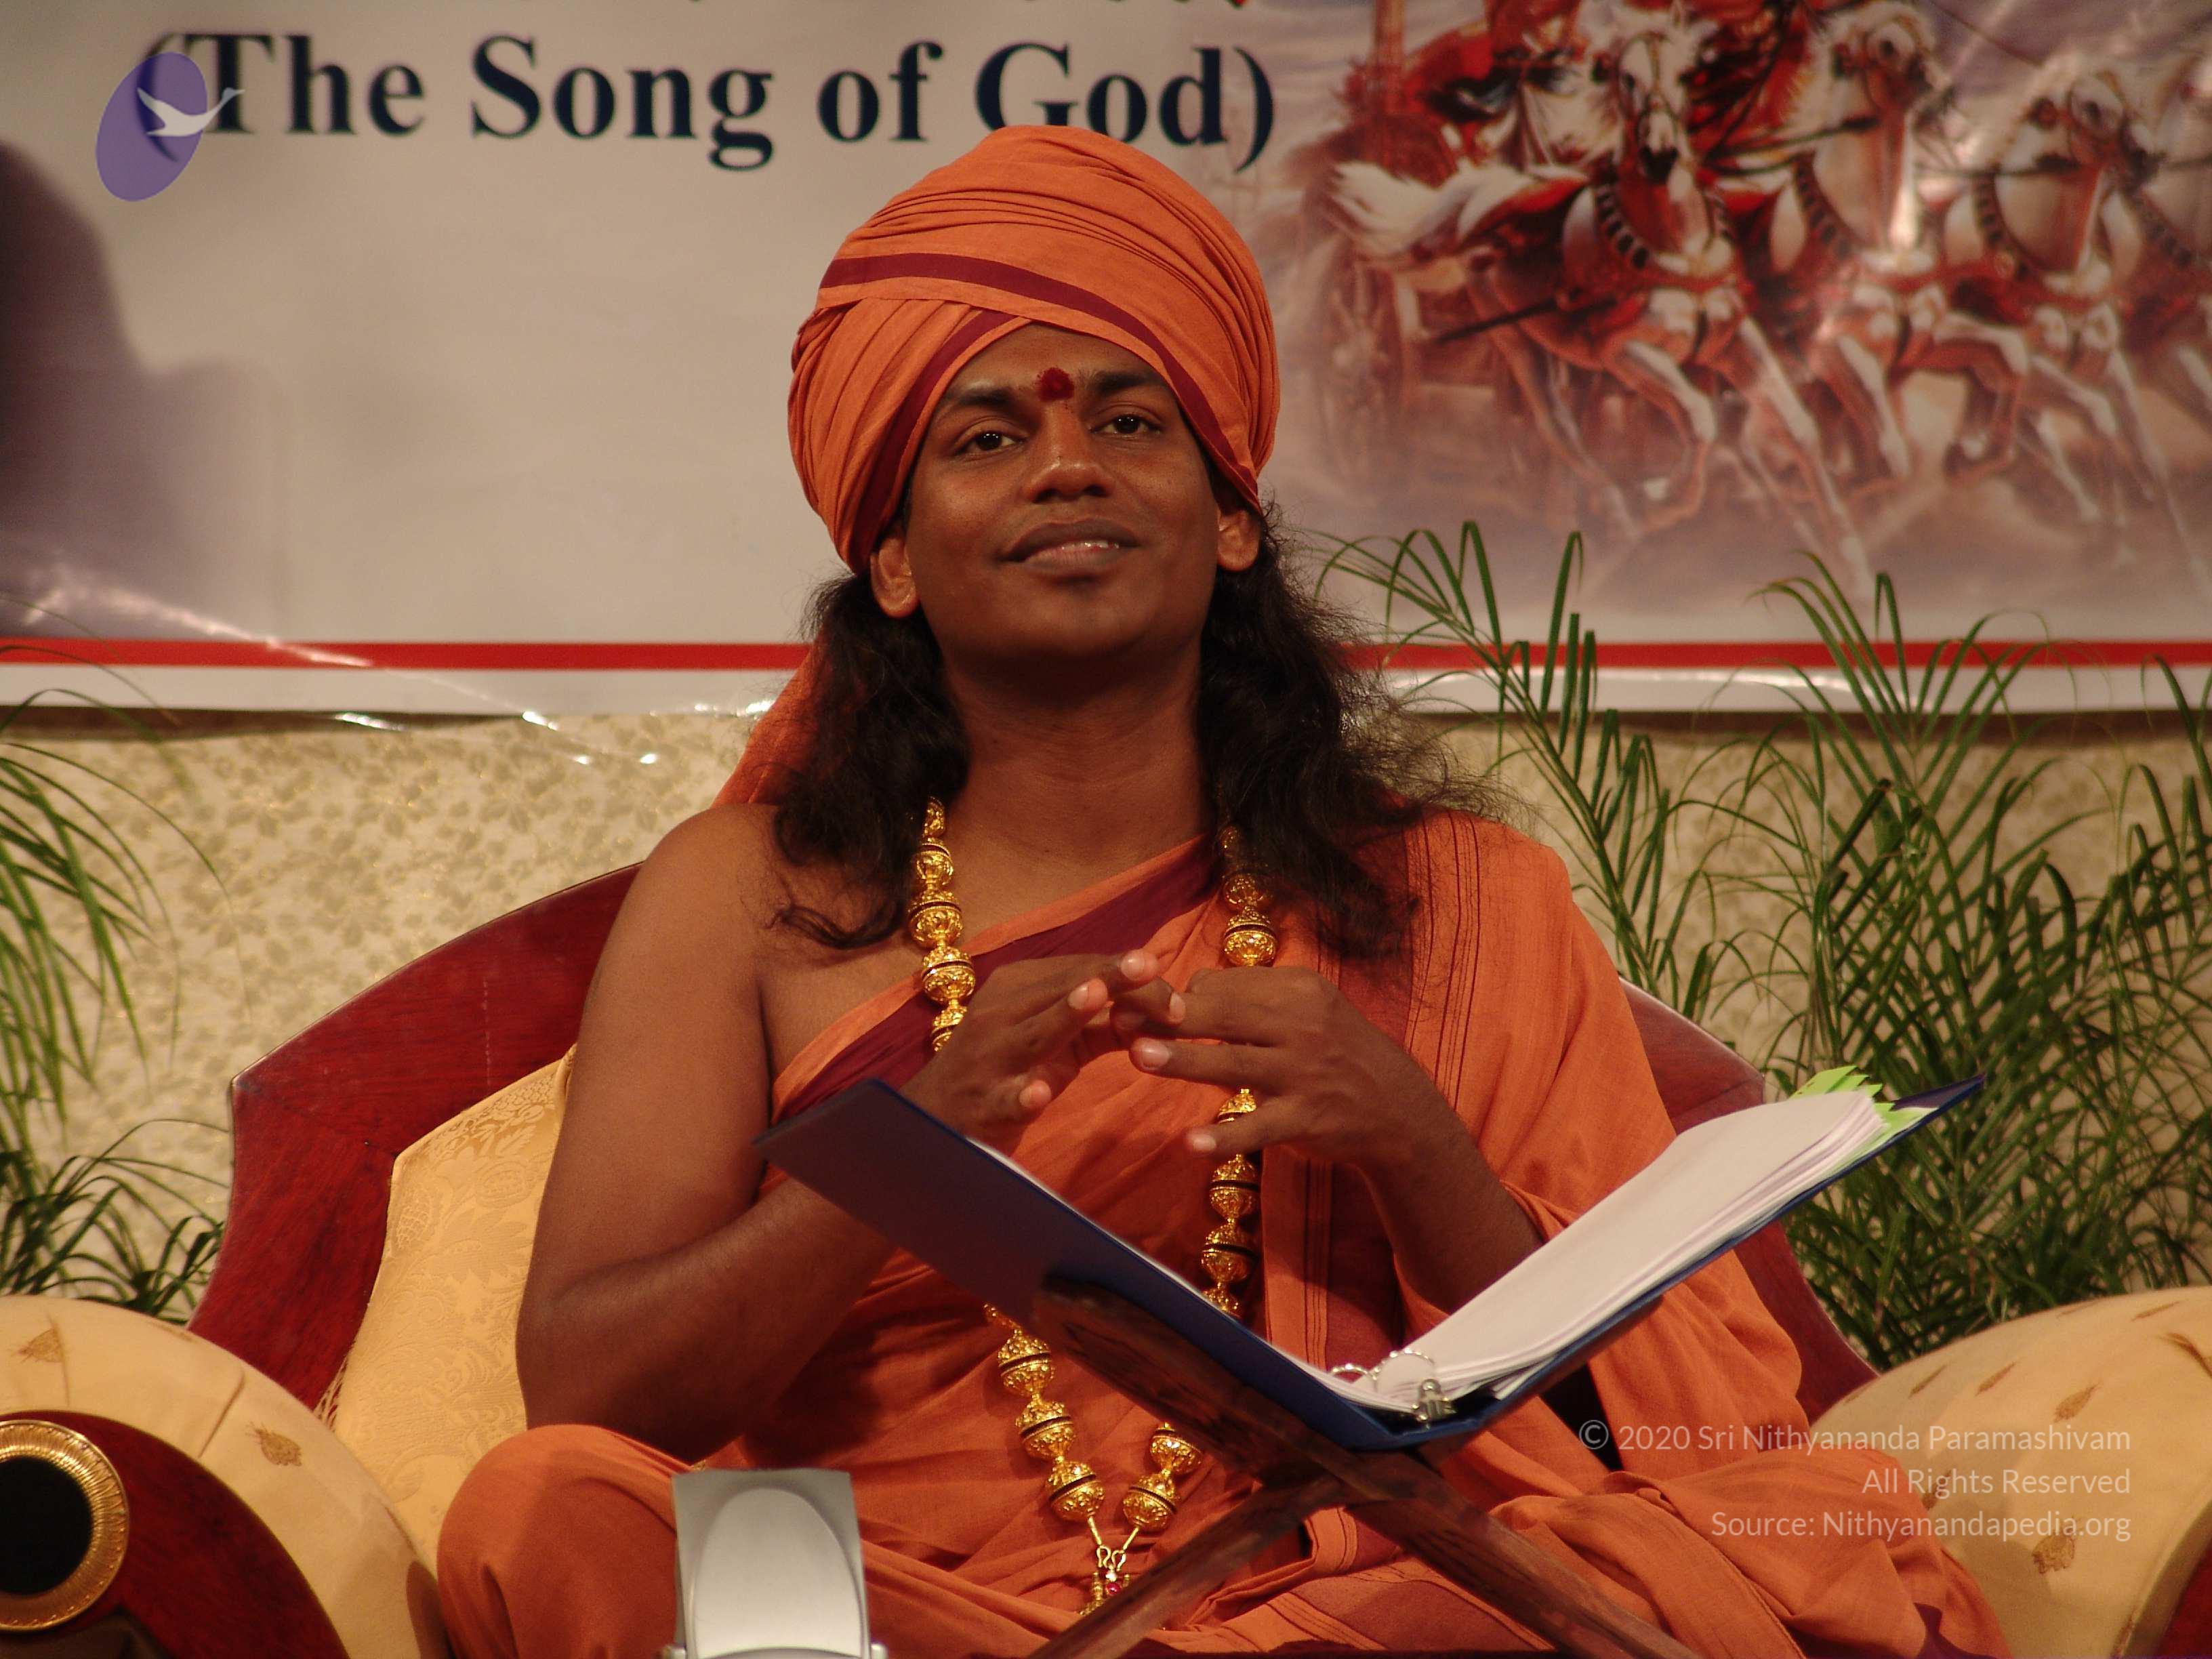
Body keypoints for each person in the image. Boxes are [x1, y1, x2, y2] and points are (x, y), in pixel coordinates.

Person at [437, 126, 2006, 1659]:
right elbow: (590, 1387)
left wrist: (1412, 1145)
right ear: (894, 559)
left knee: (1641, 1567)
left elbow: (1662, 1427)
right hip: (895, 1609)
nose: (1068, 464)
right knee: (548, 1509)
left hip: (1338, 1591)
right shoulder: (746, 898)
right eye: (984, 440)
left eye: (1131, 422)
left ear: (1235, 518)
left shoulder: (1462, 899)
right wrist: (910, 1149)